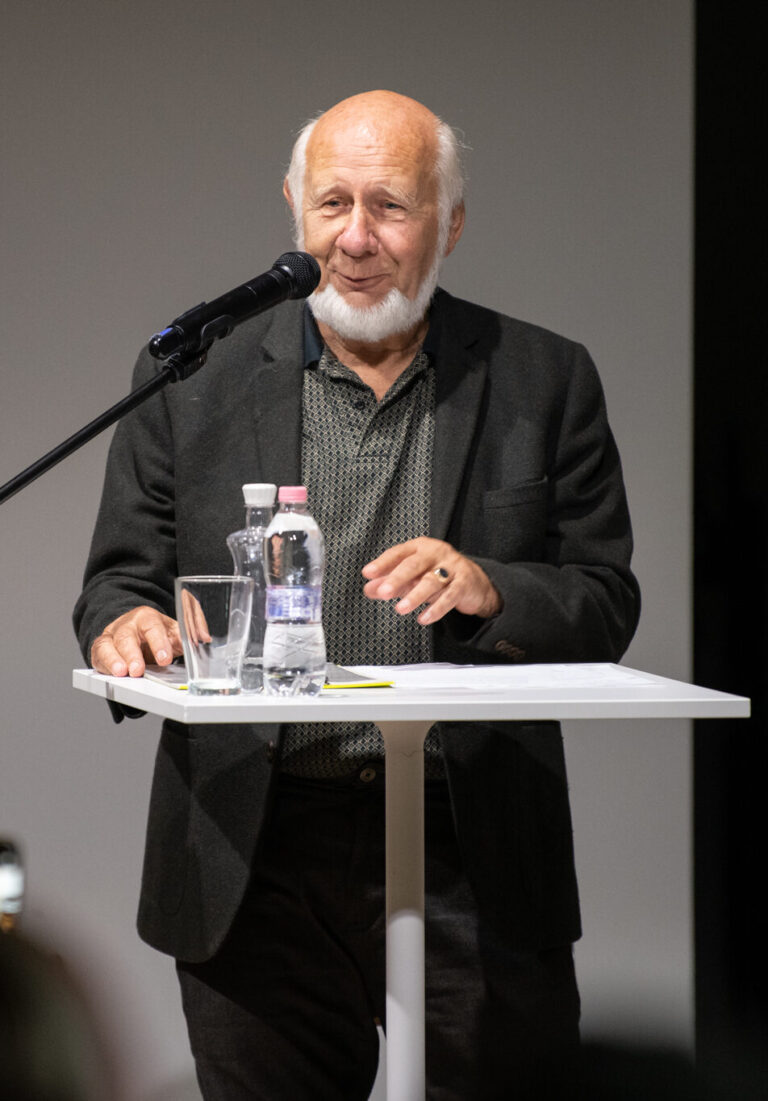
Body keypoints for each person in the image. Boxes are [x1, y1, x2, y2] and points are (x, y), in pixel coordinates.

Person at [74, 90, 640, 1099]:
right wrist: (127, 622)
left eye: (391, 206)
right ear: (294, 207)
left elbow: (604, 598)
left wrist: (494, 590)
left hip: (471, 841)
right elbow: (120, 576)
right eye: (332, 204)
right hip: (258, 848)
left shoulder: (542, 377)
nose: (356, 238)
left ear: (449, 223)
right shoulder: (196, 377)